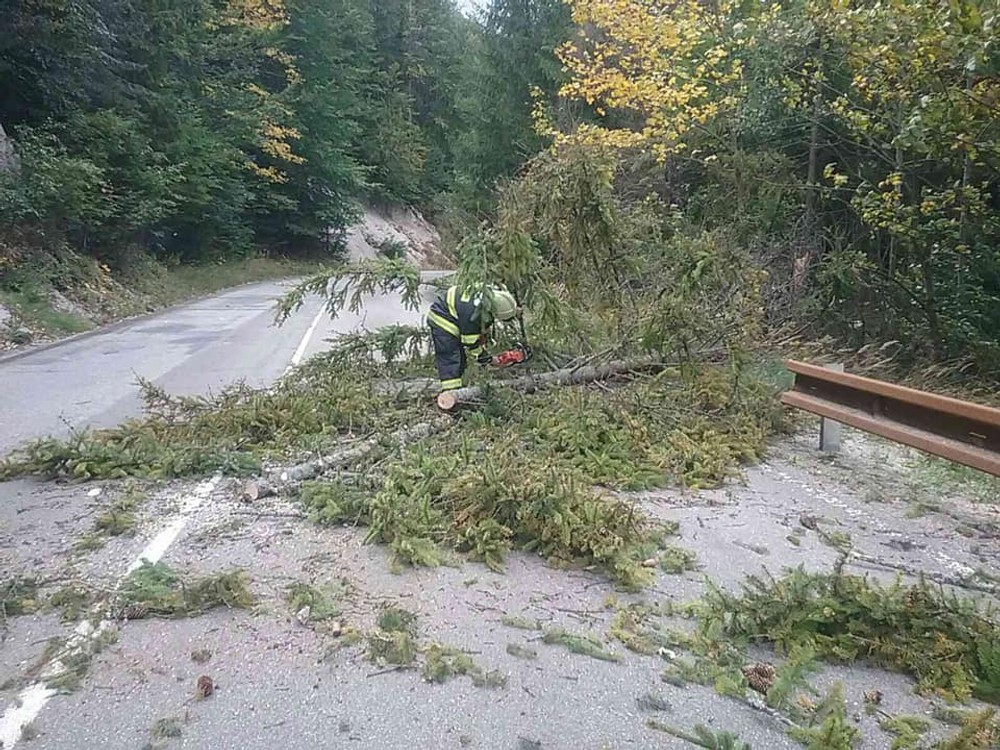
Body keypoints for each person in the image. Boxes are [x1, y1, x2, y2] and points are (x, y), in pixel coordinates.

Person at [426, 284, 521, 392]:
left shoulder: (488, 291)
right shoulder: (472, 317)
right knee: (450, 357)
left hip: (454, 313)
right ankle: (450, 392)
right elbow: (471, 344)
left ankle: (459, 387)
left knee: (460, 357)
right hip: (443, 321)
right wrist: (487, 359)